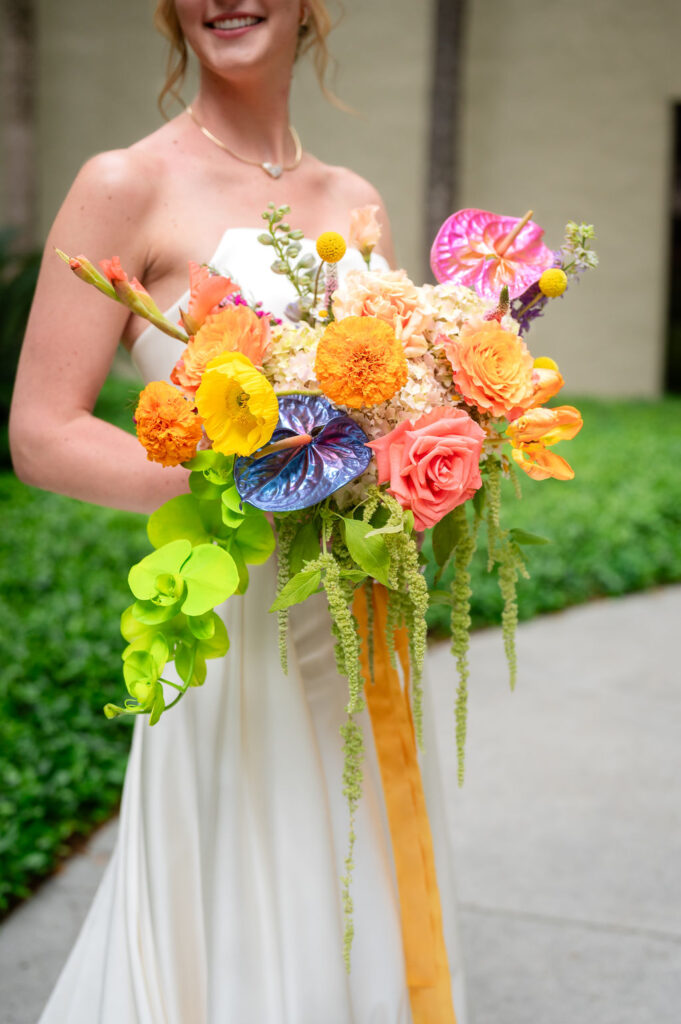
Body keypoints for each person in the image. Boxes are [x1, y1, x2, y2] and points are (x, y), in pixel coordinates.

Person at [10, 3, 466, 1021]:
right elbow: (42, 433)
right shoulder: (124, 184)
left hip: (361, 632)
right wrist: (254, 482)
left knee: (366, 894)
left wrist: (421, 460)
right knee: (247, 917)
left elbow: (390, 410)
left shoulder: (355, 199)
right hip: (232, 632)